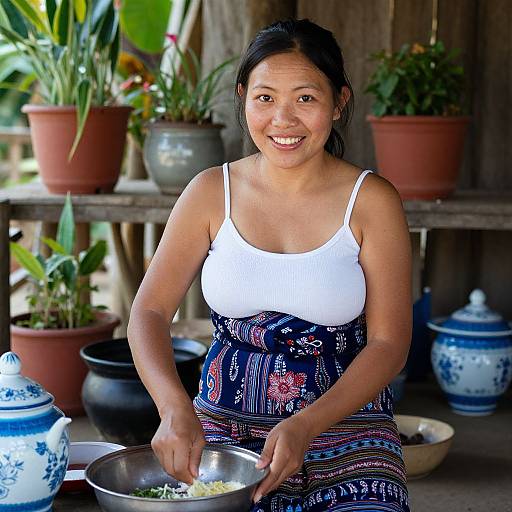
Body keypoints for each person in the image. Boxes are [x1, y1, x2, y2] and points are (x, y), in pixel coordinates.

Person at [128, 18, 412, 512]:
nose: (283, 119)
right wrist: (174, 408)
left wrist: (306, 424)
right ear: (242, 97)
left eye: (305, 98)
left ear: (339, 101)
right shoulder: (210, 192)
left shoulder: (372, 201)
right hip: (221, 427)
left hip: (347, 426)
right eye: (265, 98)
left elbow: (390, 343)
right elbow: (149, 312)